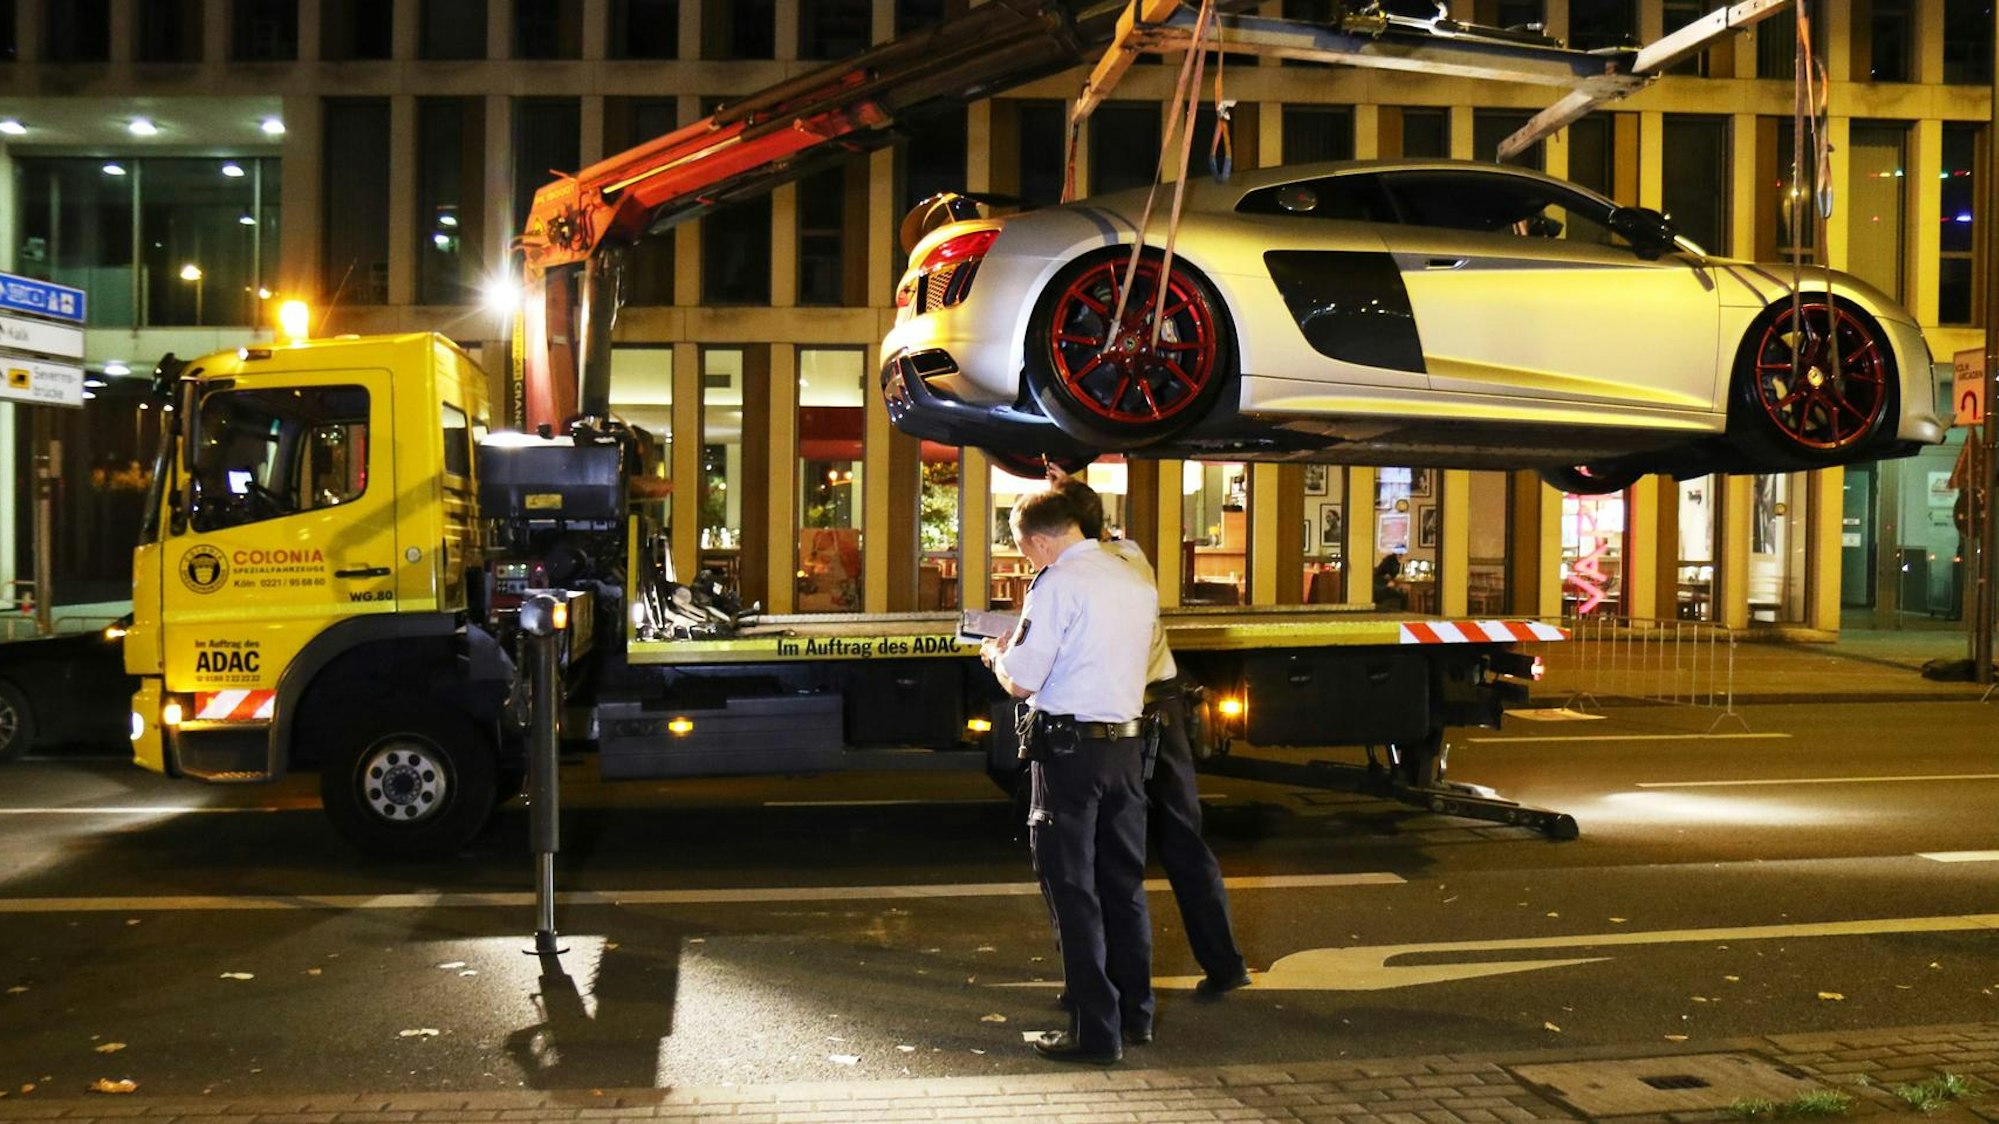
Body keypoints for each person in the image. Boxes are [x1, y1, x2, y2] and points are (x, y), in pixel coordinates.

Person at [1051, 475, 1253, 999]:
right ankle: (1224, 963)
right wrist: (1074, 488)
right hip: (1162, 702)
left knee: (1103, 856)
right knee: (1181, 838)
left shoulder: (1077, 574)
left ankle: (1099, 990)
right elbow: (1098, 530)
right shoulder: (1131, 559)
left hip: (1127, 717)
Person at [981, 489, 1155, 1065]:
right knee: (1124, 889)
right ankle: (1136, 1015)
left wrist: (996, 657)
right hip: (1126, 751)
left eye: (1026, 550)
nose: (1030, 559)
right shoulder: (1132, 576)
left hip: (1071, 755)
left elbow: (1023, 681)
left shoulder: (1056, 582)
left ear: (1037, 541)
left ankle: (1095, 1033)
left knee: (1073, 891)